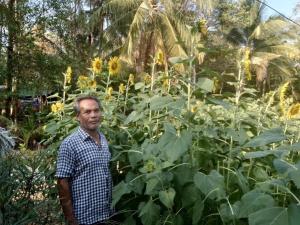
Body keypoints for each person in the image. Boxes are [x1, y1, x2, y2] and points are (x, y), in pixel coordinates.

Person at [56, 95, 113, 225]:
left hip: (105, 214)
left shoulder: (103, 138)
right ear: (77, 116)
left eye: (96, 110)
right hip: (83, 217)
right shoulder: (70, 144)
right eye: (87, 112)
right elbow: (62, 182)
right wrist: (71, 219)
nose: (93, 115)